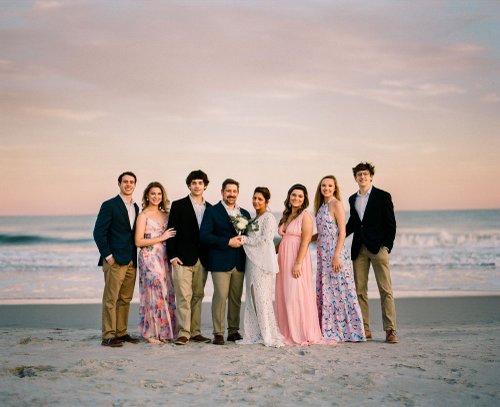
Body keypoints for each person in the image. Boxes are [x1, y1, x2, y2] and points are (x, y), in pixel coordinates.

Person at [346, 162, 398, 343]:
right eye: (359, 174)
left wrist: (387, 246)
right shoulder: (352, 199)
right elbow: (354, 223)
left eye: (365, 174)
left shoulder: (383, 196)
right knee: (360, 290)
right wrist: (336, 235)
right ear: (355, 178)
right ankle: (364, 329)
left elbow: (391, 224)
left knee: (385, 290)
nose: (362, 177)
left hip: (378, 249)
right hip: (359, 249)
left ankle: (390, 330)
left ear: (371, 176)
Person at [275, 184, 329, 346]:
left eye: (300, 196)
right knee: (285, 295)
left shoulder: (305, 216)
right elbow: (284, 240)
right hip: (283, 259)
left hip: (297, 258)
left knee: (295, 296)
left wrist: (298, 263)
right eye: (294, 195)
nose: (296, 198)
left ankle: (301, 332)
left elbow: (305, 240)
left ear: (304, 199)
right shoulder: (286, 215)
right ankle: (287, 331)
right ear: (289, 196)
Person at [313, 175, 365, 342]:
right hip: (322, 254)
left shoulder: (336, 204)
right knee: (327, 291)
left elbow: (342, 232)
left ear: (334, 188)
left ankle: (351, 331)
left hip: (335, 253)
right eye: (324, 185)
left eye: (330, 185)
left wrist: (336, 255)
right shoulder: (321, 206)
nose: (326, 188)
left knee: (341, 290)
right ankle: (328, 328)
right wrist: (303, 239)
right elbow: (322, 232)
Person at [200, 178, 250, 345]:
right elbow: (205, 236)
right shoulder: (212, 211)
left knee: (236, 298)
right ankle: (218, 333)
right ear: (222, 192)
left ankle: (233, 331)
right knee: (220, 296)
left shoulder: (244, 213)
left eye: (234, 191)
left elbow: (249, 236)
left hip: (239, 262)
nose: (231, 194)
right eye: (228, 191)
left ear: (238, 193)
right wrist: (227, 241)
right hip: (220, 261)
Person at [93, 171, 141, 347]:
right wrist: (108, 256)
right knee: (111, 299)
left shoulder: (136, 207)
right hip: (114, 260)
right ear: (119, 184)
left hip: (131, 260)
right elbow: (98, 233)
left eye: (131, 182)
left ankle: (121, 332)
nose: (128, 184)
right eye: (125, 181)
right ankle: (108, 335)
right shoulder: (109, 205)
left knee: (125, 299)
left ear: (135, 185)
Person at [167, 170, 212, 345]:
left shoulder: (211, 208)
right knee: (183, 297)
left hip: (203, 260)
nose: (197, 186)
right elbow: (171, 232)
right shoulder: (178, 205)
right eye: (194, 183)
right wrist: (172, 256)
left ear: (205, 186)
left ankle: (195, 332)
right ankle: (183, 333)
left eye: (200, 183)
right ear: (189, 185)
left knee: (197, 296)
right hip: (182, 259)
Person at [240, 187, 284, 347]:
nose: (256, 201)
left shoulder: (269, 218)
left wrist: (245, 240)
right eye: (254, 198)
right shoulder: (253, 219)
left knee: (262, 297)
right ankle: (255, 332)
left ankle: (268, 334)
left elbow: (266, 239)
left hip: (263, 263)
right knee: (252, 296)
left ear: (266, 201)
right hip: (251, 261)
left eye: (260, 199)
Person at [135, 182, 177, 344]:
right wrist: (162, 237)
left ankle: (165, 332)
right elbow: (138, 241)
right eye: (153, 193)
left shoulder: (167, 214)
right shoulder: (143, 215)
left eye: (159, 194)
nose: (156, 197)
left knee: (166, 292)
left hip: (164, 257)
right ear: (147, 195)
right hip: (149, 257)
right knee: (154, 290)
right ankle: (151, 333)